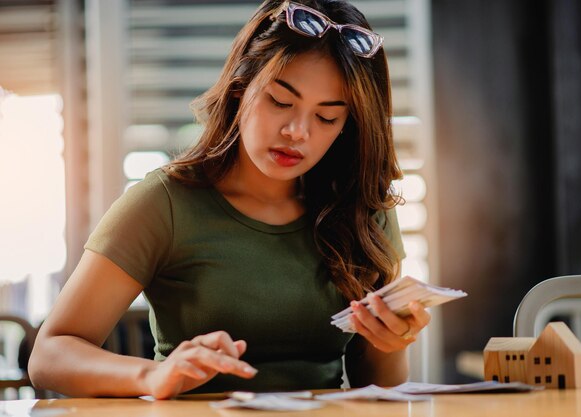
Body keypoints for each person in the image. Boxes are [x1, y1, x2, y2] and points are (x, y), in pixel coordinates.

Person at [28, 0, 431, 399]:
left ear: (348, 126)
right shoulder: (165, 202)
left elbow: (378, 388)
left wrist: (391, 340)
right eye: (280, 101)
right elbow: (49, 355)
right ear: (240, 90)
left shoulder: (362, 210)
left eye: (326, 117)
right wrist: (153, 376)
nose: (297, 131)